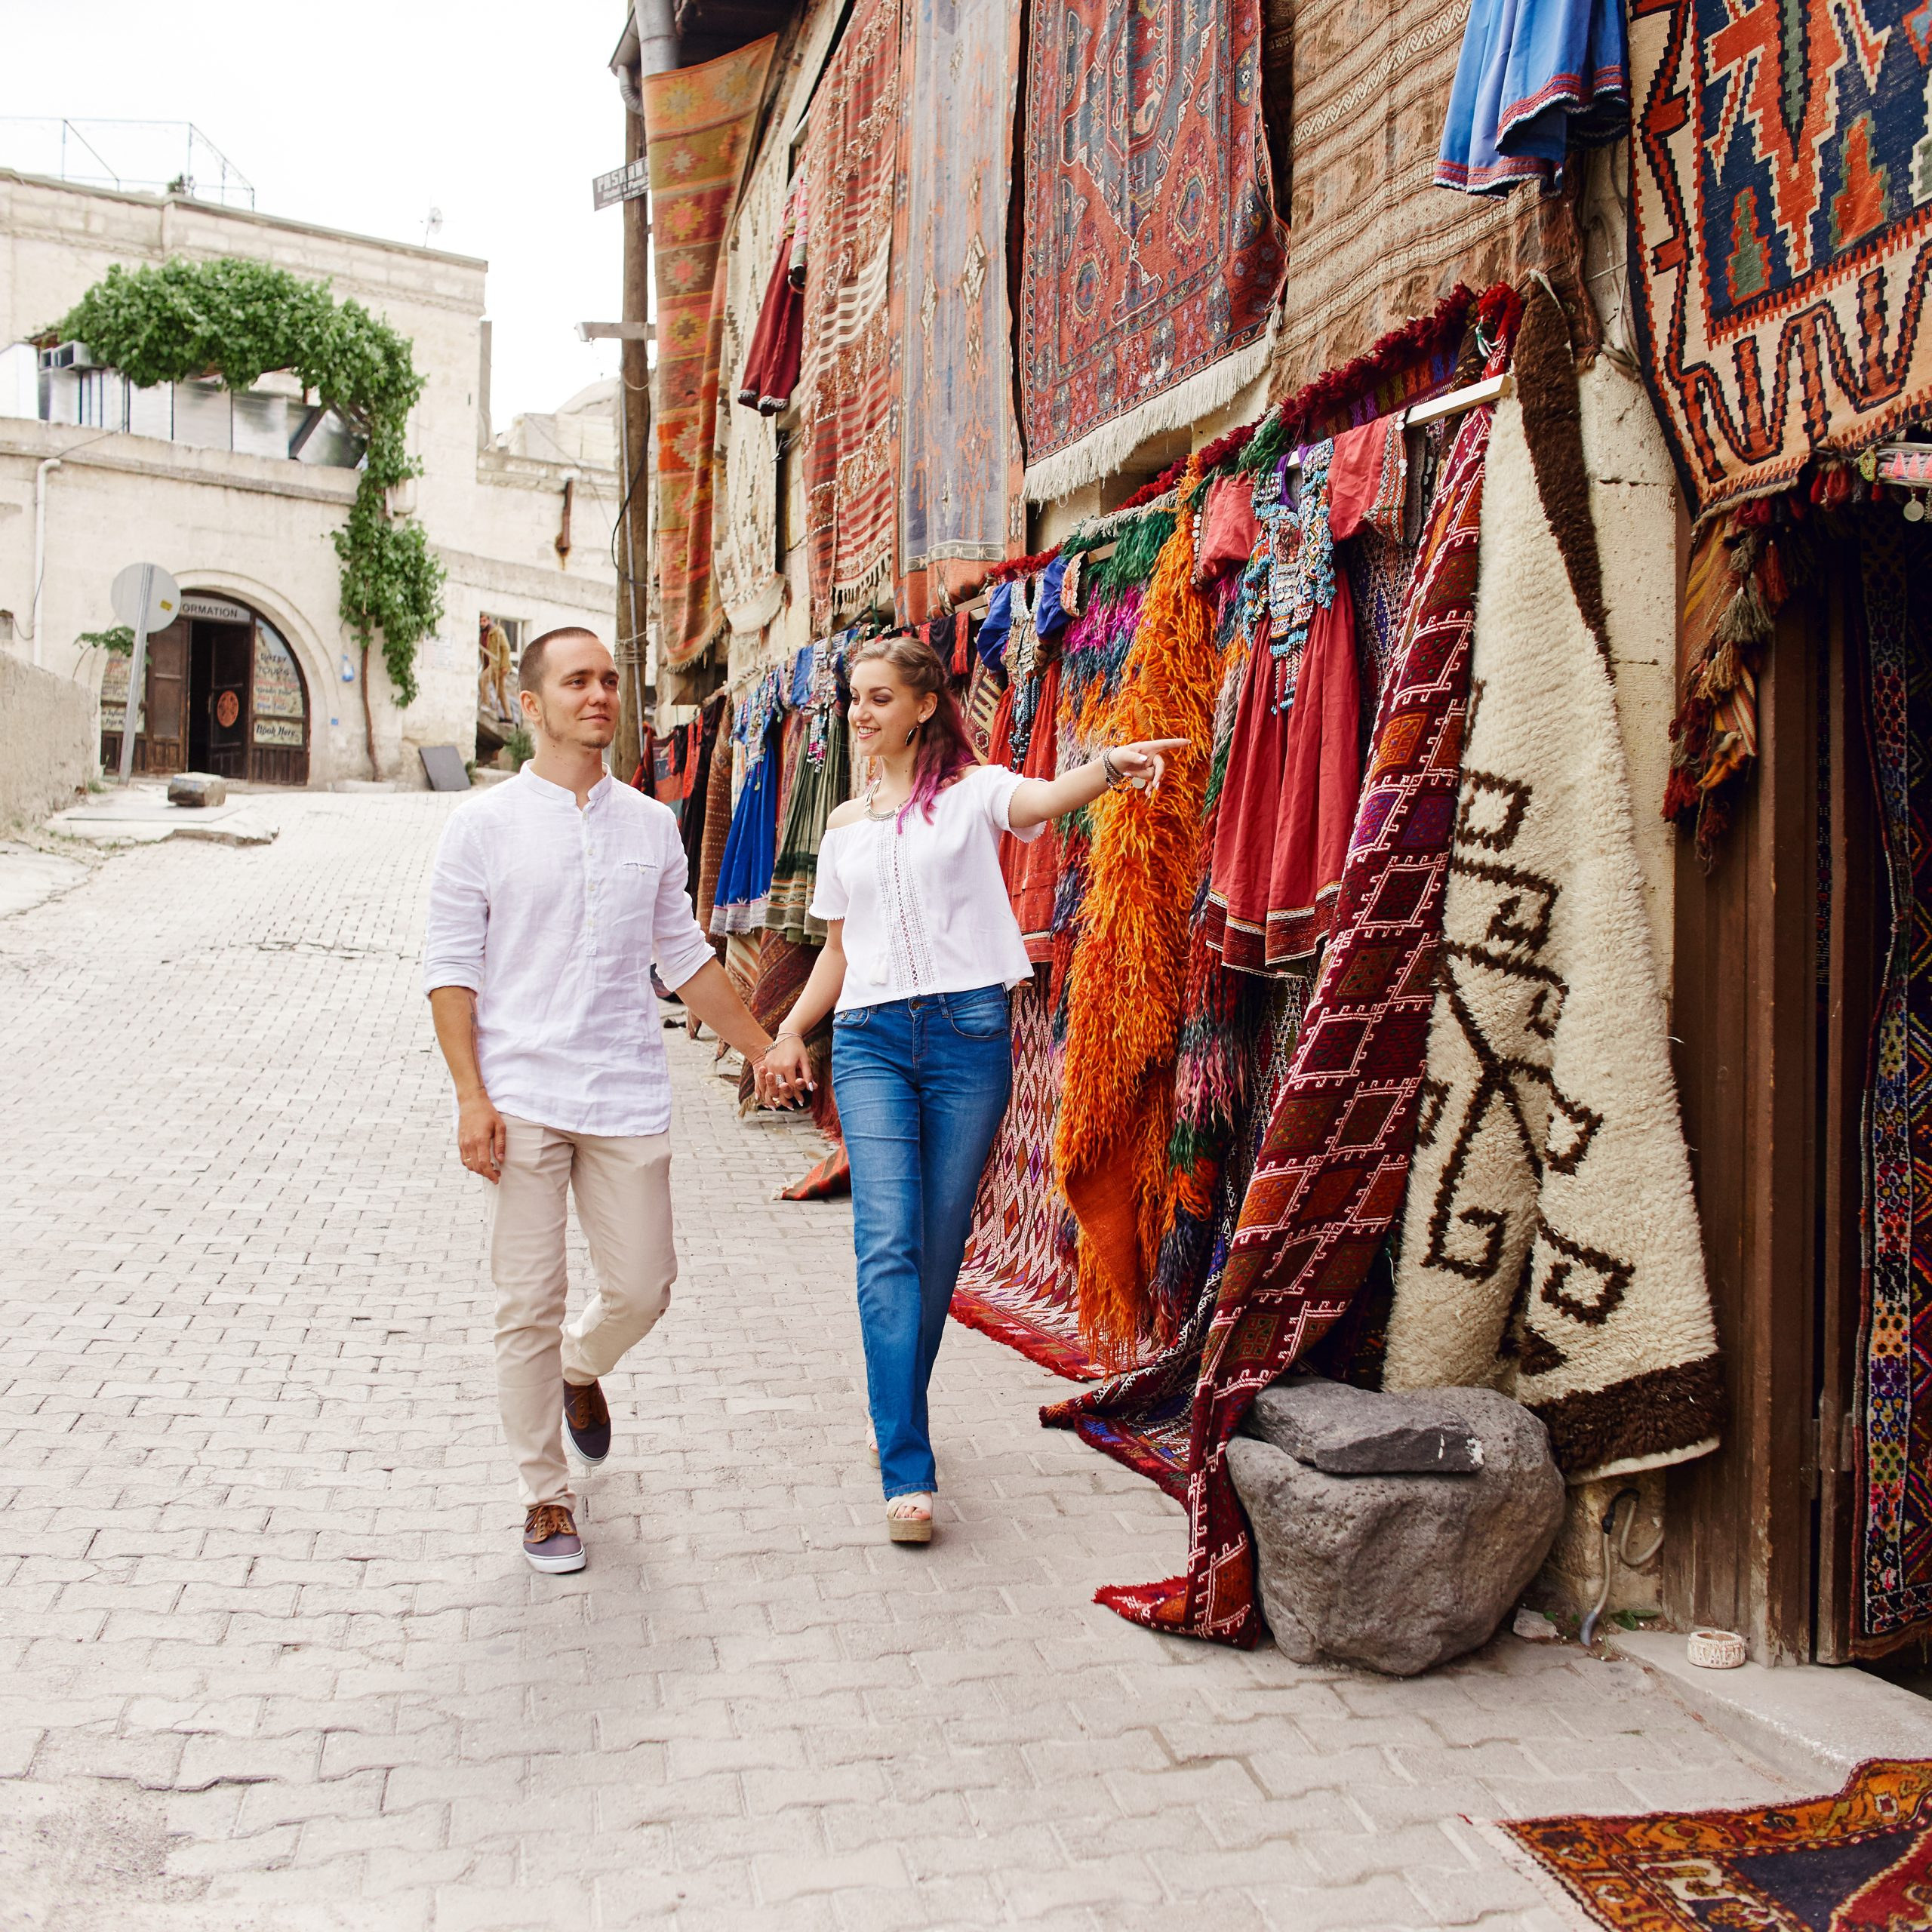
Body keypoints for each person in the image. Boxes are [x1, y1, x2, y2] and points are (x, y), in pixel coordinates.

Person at [758, 632, 1182, 1543]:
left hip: (968, 1037)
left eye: (878, 698)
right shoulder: (841, 826)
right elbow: (836, 951)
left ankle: (893, 1409)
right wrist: (792, 1028)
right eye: (853, 698)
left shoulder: (974, 792)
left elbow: (1046, 796)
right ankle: (907, 1467)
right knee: (886, 1244)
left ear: (921, 706)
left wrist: (1109, 765)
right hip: (870, 1040)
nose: (861, 713)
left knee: (939, 1245)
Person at [424, 626, 780, 1574]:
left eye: (610, 681)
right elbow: (451, 972)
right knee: (524, 1303)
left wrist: (760, 1050)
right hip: (522, 1092)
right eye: (576, 682)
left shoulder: (651, 824)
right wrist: (471, 1095)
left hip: (622, 1087)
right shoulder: (481, 827)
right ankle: (544, 1497)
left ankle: (580, 1369)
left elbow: (684, 958)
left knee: (641, 1288)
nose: (599, 696)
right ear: (531, 705)